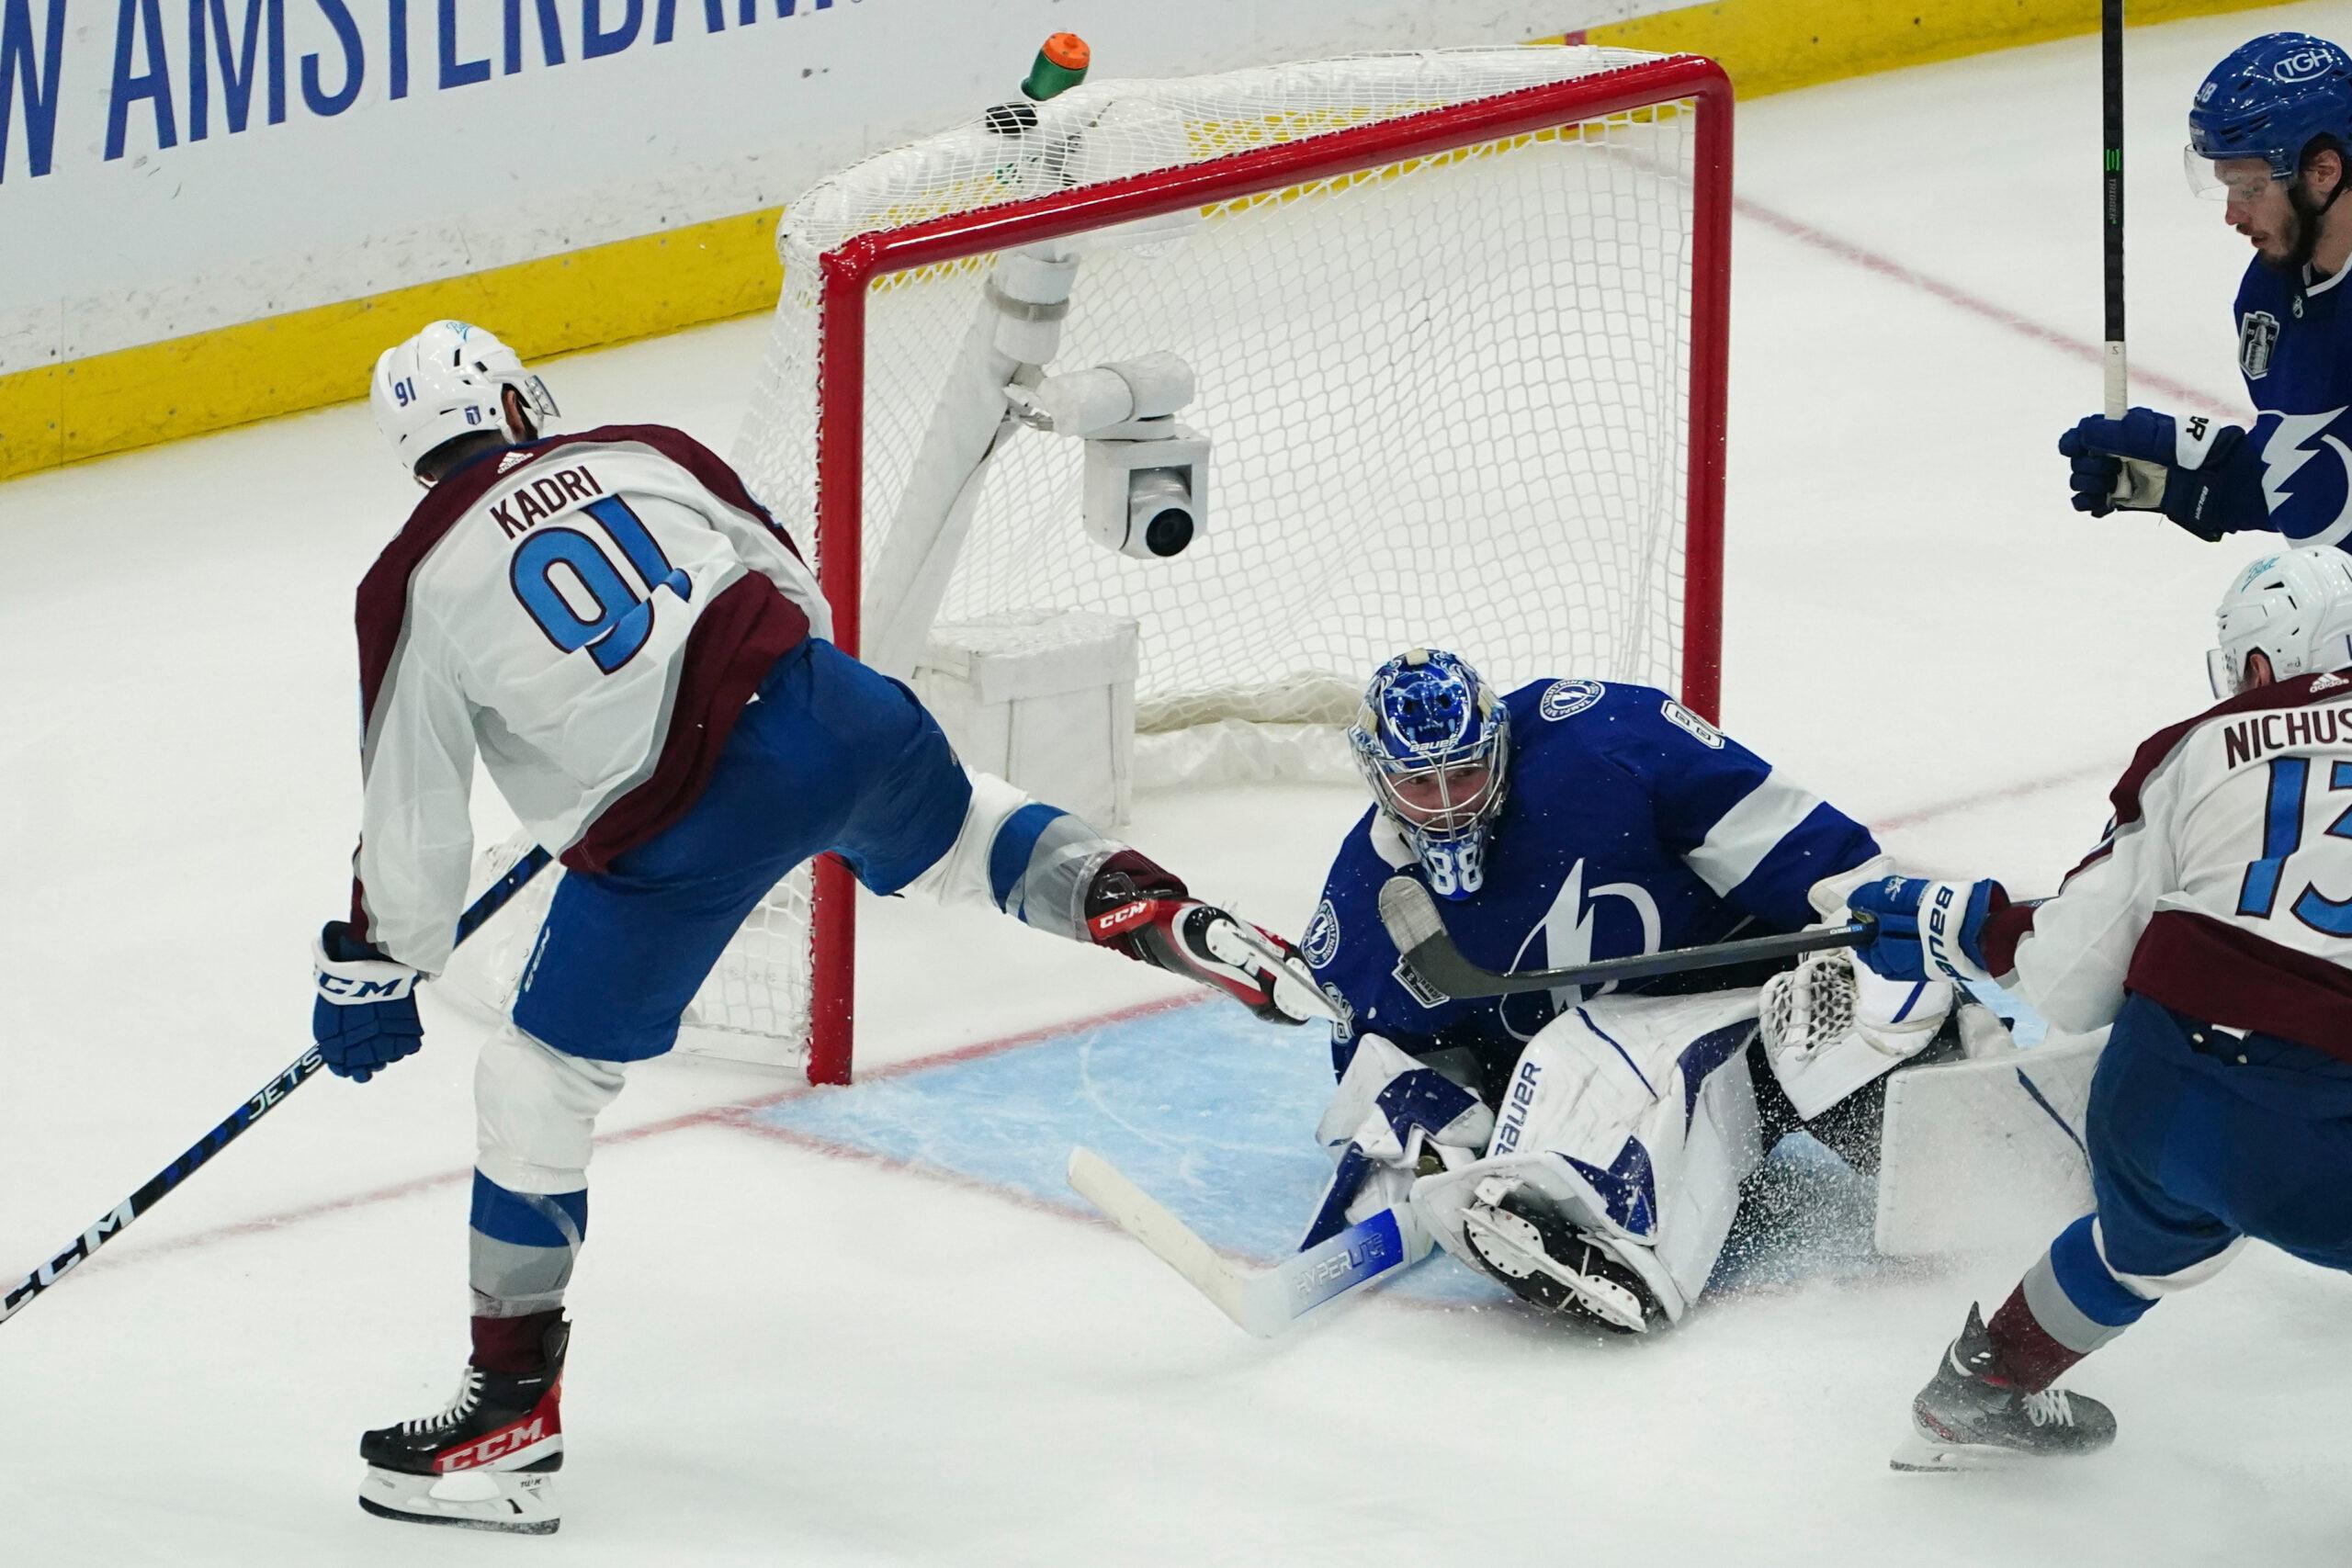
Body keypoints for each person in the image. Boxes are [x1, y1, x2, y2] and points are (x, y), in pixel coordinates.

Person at [315, 321, 1325, 1533]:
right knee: (962, 836)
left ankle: (507, 1423)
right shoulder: (646, 447)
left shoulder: (411, 578)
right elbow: (789, 582)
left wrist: (378, 963)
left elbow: (412, 807)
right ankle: (1167, 911)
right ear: (521, 403)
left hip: (673, 827)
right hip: (826, 706)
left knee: (536, 1080)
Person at [1844, 545, 2352, 1471]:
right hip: (2326, 1117)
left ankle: (1982, 1383)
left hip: (2158, 1097)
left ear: (2258, 664)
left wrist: (1969, 931)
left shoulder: (2196, 746)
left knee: (2143, 1241)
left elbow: (2067, 974)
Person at [1296, 649, 1970, 1333]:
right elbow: (1397, 1067)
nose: (1446, 804)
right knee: (1586, 1071)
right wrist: (1441, 1132)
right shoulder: (1364, 904)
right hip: (1618, 1074)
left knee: (1950, 1162)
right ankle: (1601, 1239)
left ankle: (1988, 1116)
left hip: (1773, 1000)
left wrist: (1877, 924)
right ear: (1377, 776)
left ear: (1500, 742)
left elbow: (1798, 846)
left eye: (1465, 771)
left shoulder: (1607, 738)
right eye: (1419, 782)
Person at [2059, 34, 2352, 545]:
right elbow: (2321, 479)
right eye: (2227, 187)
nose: (2232, 215)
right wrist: (2184, 476)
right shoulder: (2268, 295)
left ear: (2323, 172)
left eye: (2251, 188)